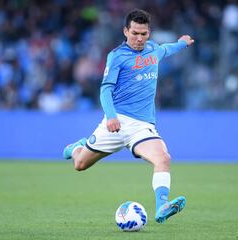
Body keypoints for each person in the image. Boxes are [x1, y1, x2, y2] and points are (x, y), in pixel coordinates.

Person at [63, 9, 194, 223]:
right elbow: (105, 89)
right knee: (80, 164)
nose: (139, 38)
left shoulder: (153, 50)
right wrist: (111, 116)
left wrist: (182, 43)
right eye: (135, 33)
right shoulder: (116, 56)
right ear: (126, 31)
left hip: (141, 126)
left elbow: (166, 50)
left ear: (149, 33)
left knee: (163, 158)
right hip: (116, 122)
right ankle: (77, 146)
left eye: (143, 34)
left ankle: (162, 206)